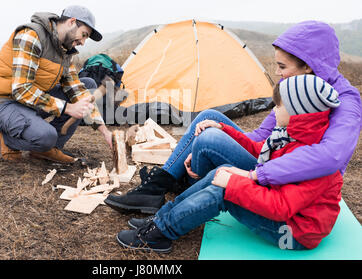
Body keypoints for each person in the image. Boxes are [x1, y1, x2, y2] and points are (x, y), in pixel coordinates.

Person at [105, 20, 362, 214]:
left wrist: (256, 175)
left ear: (308, 66)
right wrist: (214, 142)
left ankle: (167, 191)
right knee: (209, 118)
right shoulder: (293, 90)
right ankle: (158, 186)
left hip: (291, 184)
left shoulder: (346, 100)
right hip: (270, 159)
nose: (278, 73)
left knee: (210, 138)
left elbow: (332, 157)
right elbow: (261, 136)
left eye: (282, 67)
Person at [116, 74, 343, 253]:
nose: (274, 110)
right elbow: (257, 149)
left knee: (223, 191)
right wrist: (224, 129)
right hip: (285, 213)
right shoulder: (289, 136)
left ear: (297, 112)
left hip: (294, 233)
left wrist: (234, 185)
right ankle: (160, 219)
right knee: (220, 173)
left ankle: (160, 234)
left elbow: (280, 207)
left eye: (278, 106)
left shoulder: (312, 159)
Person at [0, 5, 113, 163]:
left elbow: (77, 91)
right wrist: (68, 108)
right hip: (0, 102)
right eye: (83, 35)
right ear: (72, 22)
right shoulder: (31, 36)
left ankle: (48, 149)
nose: (83, 42)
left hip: (26, 102)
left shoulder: (64, 51)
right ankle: (8, 138)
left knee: (86, 86)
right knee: (46, 136)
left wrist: (105, 132)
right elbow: (21, 90)